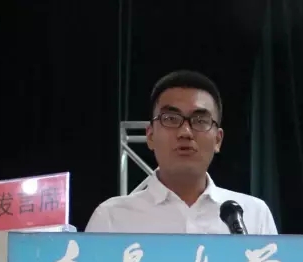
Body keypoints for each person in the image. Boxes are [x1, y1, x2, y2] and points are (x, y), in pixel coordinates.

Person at [84, 70, 278, 235]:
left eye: (200, 121)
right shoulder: (111, 218)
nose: (185, 132)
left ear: (218, 140)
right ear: (150, 136)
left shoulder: (253, 215)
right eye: (171, 119)